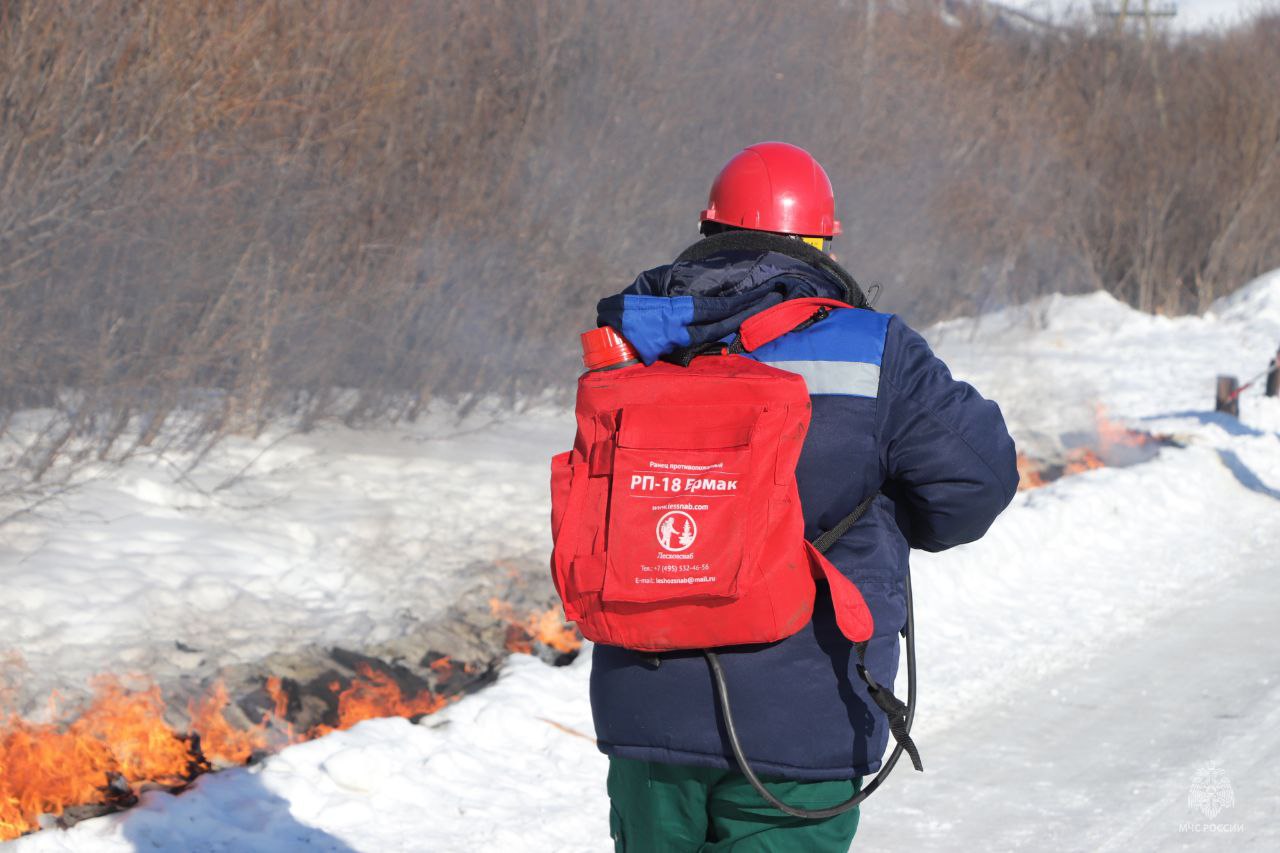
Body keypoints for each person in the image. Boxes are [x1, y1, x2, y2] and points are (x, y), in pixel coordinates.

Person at [587, 142, 1019, 851]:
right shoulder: (875, 349)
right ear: (821, 242)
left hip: (647, 710)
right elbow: (978, 479)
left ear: (711, 231)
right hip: (806, 715)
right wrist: (893, 513)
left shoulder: (634, 338)